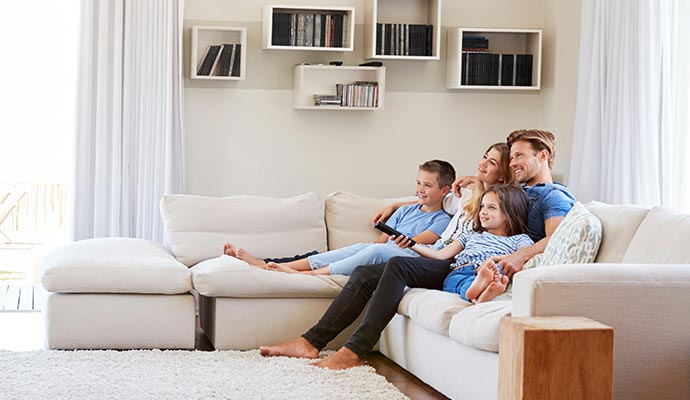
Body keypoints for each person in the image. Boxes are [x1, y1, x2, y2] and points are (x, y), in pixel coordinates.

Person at [258, 129, 575, 370]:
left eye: (519, 156)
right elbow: (452, 197)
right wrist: (399, 202)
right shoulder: (513, 189)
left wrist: (518, 256)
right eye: (513, 157)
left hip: (468, 262)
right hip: (455, 255)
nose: (515, 162)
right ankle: (310, 342)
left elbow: (554, 238)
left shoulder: (551, 196)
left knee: (395, 263)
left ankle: (354, 351)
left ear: (544, 156)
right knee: (369, 272)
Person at [227, 160, 455, 276]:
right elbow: (380, 242)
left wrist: (380, 246)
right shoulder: (405, 210)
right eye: (418, 183)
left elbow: (416, 243)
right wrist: (373, 244)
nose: (420, 189)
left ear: (445, 191)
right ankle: (266, 265)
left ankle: (310, 275)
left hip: (405, 258)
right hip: (383, 250)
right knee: (361, 248)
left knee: (374, 251)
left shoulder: (443, 220)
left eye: (427, 185)